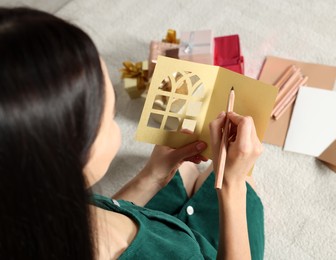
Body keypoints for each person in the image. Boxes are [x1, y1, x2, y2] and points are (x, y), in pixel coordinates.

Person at [0, 7, 265, 260]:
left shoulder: (34, 214)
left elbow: (100, 213)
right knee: (233, 178)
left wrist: (151, 177)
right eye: (110, 115)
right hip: (196, 249)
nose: (115, 121)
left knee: (185, 171)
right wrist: (233, 186)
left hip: (148, 222)